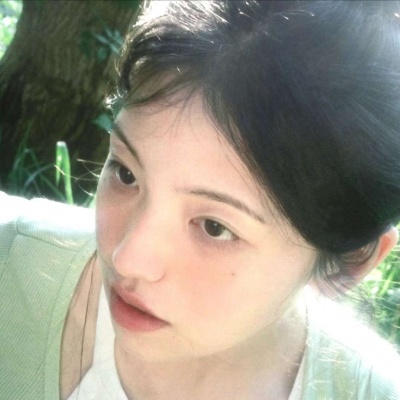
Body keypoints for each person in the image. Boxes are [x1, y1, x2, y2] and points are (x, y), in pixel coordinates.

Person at [1, 1, 400, 399]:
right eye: (126, 174)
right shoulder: (9, 263)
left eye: (214, 227)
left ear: (351, 262)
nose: (126, 259)